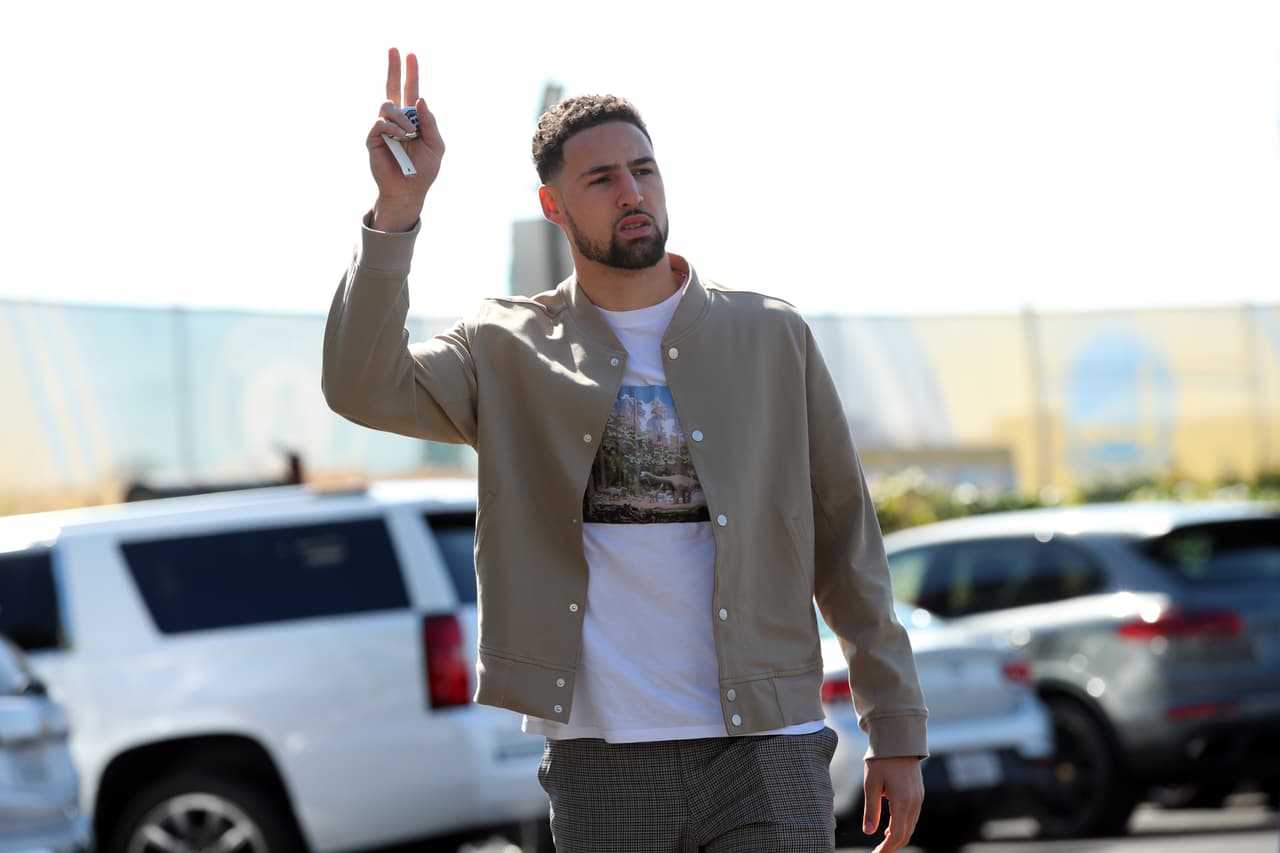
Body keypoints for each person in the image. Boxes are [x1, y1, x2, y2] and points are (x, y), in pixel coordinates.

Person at [323, 47, 928, 853]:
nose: (632, 192)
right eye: (601, 179)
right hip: (600, 754)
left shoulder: (771, 335)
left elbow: (845, 537)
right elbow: (361, 384)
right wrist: (397, 209)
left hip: (769, 744)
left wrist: (894, 724)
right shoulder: (506, 348)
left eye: (643, 169)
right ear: (553, 204)